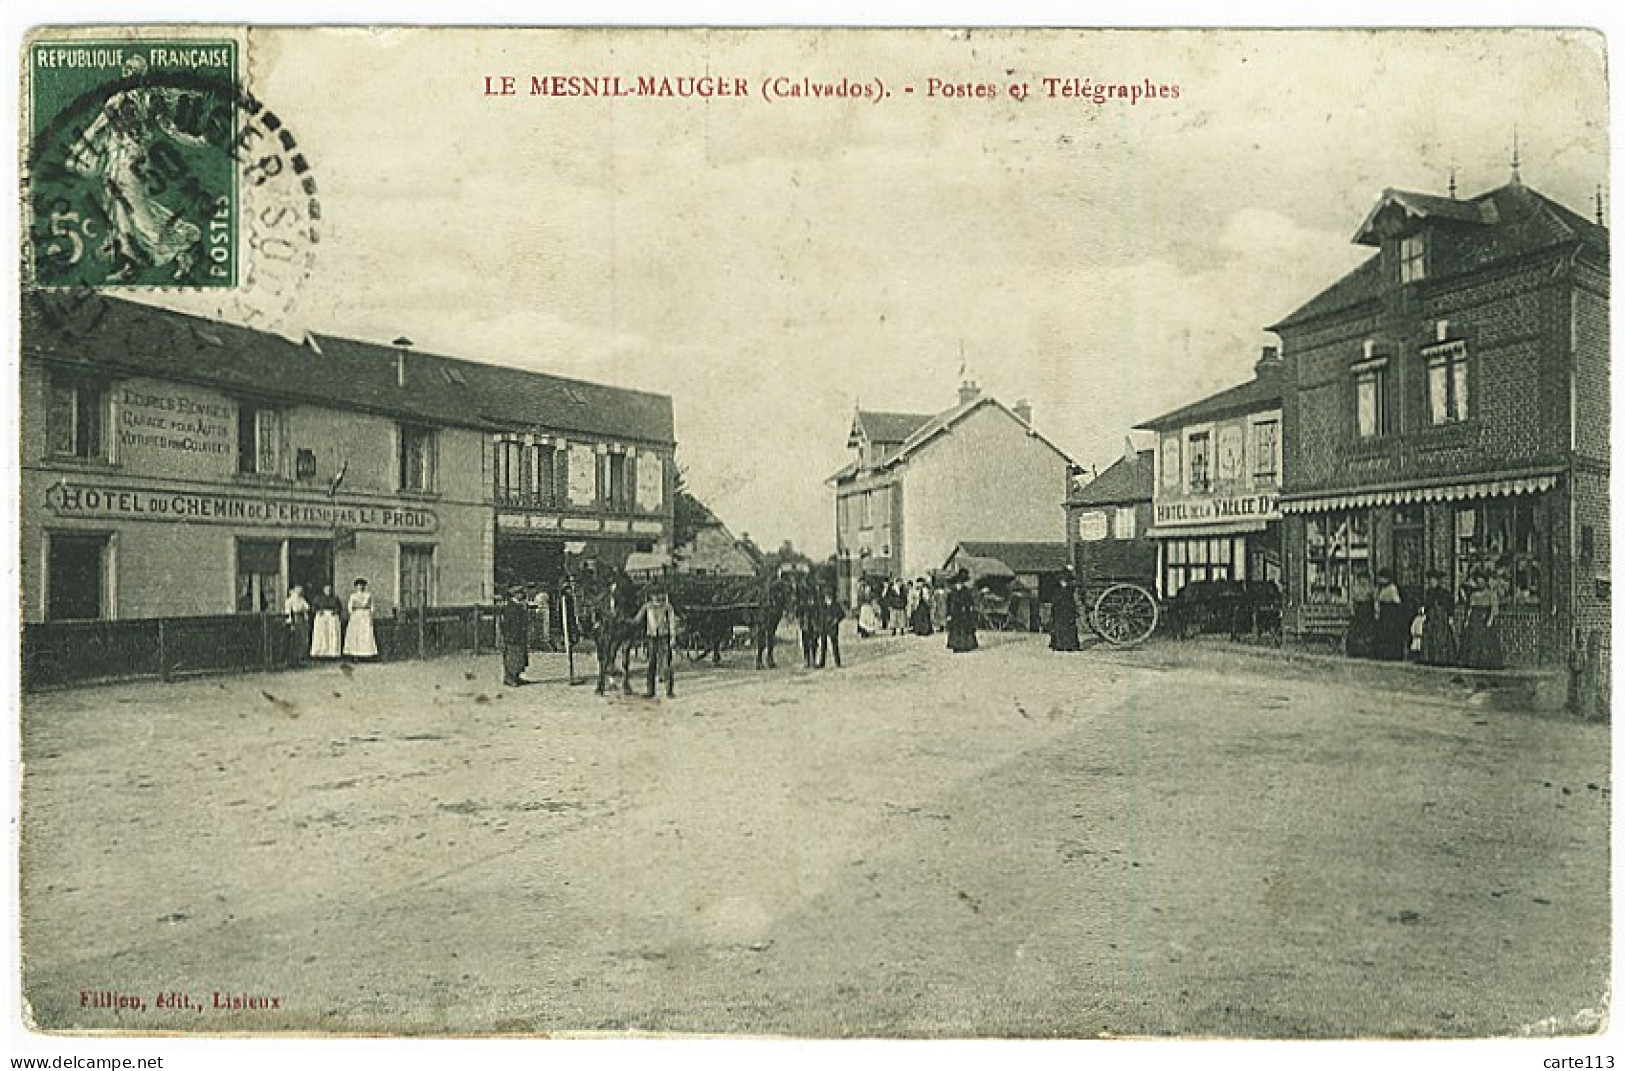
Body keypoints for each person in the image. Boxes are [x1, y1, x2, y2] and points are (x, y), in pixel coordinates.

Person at [1461, 563, 1504, 670]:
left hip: (1485, 617)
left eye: (1482, 582)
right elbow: (1470, 608)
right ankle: (1473, 662)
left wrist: (1490, 620)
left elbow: (1494, 609)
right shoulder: (1474, 595)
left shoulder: (1490, 594)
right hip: (1475, 619)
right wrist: (1466, 620)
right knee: (1473, 640)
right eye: (1478, 582)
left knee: (1486, 641)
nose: (1480, 584)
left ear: (1485, 582)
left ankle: (1486, 663)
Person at [641, 585, 678, 698]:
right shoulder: (647, 607)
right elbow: (637, 620)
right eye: (655, 595)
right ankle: (650, 691)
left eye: (660, 594)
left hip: (664, 637)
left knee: (666, 664)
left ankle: (669, 690)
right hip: (652, 637)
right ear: (651, 596)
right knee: (651, 664)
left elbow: (672, 623)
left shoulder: (667, 607)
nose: (658, 597)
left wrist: (673, 637)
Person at [1418, 568, 1457, 666]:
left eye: (1434, 580)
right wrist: (1423, 609)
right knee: (1429, 636)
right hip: (1431, 617)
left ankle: (1442, 659)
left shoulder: (1444, 593)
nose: (1432, 582)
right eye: (1430, 580)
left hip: (1441, 617)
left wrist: (1450, 616)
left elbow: (1449, 605)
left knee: (1441, 637)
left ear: (1438, 581)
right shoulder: (1428, 593)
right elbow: (1426, 604)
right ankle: (1429, 657)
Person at [1374, 568, 1409, 662]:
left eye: (1382, 578)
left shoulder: (1392, 588)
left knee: (1391, 634)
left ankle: (1393, 654)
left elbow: (1397, 601)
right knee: (1384, 634)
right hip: (1384, 613)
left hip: (1391, 613)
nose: (1380, 580)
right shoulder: (1381, 588)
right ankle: (1385, 654)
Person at [500, 586, 531, 686]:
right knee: (512, 657)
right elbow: (505, 623)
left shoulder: (520, 606)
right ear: (515, 595)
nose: (522, 595)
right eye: (520, 593)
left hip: (520, 634)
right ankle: (509, 678)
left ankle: (517, 676)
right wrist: (508, 635)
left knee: (520, 657)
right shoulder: (510, 607)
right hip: (513, 635)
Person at [343, 578, 379, 660]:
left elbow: (372, 607)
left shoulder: (368, 595)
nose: (361, 587)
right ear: (356, 587)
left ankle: (366, 654)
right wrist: (352, 611)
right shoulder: (353, 596)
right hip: (356, 615)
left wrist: (369, 613)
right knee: (356, 634)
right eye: (359, 586)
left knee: (365, 634)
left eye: (362, 585)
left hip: (365, 615)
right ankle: (355, 654)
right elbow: (350, 607)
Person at [946, 568, 979, 653]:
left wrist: (968, 608)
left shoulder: (966, 591)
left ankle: (965, 646)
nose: (959, 585)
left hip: (964, 614)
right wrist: (948, 614)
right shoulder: (952, 593)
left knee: (965, 629)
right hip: (955, 614)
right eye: (957, 584)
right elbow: (949, 604)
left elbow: (970, 602)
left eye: (960, 583)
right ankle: (955, 646)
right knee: (955, 630)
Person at [309, 583, 343, 661]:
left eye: (330, 589)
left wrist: (335, 611)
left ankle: (332, 653)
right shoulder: (318, 598)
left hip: (332, 617)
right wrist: (318, 611)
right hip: (322, 617)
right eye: (327, 589)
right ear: (323, 590)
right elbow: (313, 607)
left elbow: (339, 608)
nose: (328, 591)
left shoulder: (335, 598)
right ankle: (320, 652)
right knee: (321, 634)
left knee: (332, 634)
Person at [1049, 572, 1080, 652]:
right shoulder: (1058, 591)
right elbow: (1055, 602)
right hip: (1060, 612)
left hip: (1067, 612)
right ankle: (1060, 645)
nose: (1063, 583)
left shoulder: (1069, 591)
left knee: (1068, 627)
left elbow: (1071, 602)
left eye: (1065, 581)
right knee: (1059, 627)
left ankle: (1070, 645)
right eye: (1062, 581)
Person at [283, 584, 311, 667]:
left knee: (301, 640)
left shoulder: (301, 600)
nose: (299, 592)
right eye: (297, 590)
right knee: (293, 640)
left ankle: (299, 659)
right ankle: (291, 660)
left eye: (300, 590)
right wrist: (291, 623)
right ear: (292, 591)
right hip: (294, 620)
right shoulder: (289, 601)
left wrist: (304, 613)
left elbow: (307, 607)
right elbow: (288, 612)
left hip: (301, 619)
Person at [818, 584, 844, 669]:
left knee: (835, 645)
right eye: (826, 595)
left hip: (832, 627)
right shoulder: (822, 605)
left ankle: (838, 662)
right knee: (823, 645)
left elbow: (842, 614)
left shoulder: (836, 604)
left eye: (829, 595)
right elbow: (819, 615)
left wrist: (836, 620)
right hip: (824, 626)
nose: (827, 597)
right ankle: (822, 662)